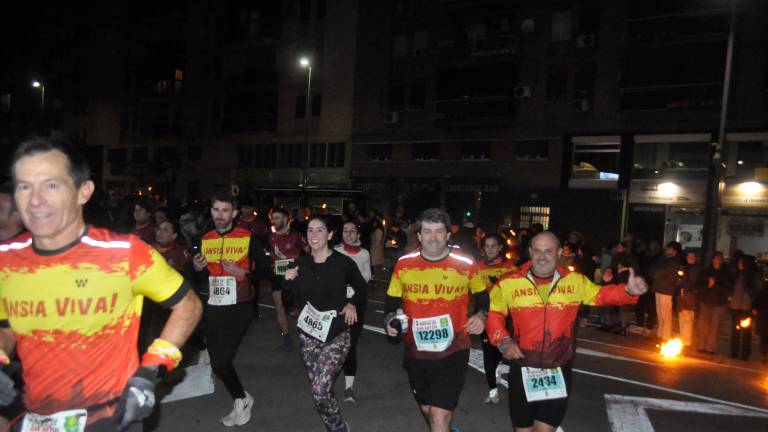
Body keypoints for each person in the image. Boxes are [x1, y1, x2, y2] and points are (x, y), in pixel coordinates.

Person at [0, 138, 202, 432]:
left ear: (84, 191)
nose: (36, 200)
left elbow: (189, 305)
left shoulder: (125, 253)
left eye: (51, 185)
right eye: (25, 186)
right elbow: (7, 325)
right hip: (36, 417)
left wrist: (150, 370)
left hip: (110, 415)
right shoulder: (5, 262)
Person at [486, 231, 648, 432]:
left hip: (558, 369)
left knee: (545, 430)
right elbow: (494, 315)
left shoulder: (575, 282)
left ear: (559, 253)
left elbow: (602, 295)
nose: (542, 256)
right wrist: (503, 341)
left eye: (548, 251)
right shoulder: (508, 282)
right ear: (530, 252)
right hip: (523, 367)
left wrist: (628, 292)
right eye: (537, 250)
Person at [385, 208, 488, 432]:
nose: (434, 237)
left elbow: (483, 298)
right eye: (428, 232)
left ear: (448, 235)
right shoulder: (404, 264)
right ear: (419, 236)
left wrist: (481, 315)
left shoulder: (466, 264)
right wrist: (390, 321)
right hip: (416, 351)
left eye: (439, 231)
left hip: (454, 349)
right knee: (429, 411)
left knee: (439, 416)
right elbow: (391, 303)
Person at [192, 193, 270, 426]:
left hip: (240, 306)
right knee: (216, 360)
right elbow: (198, 277)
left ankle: (242, 399)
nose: (219, 215)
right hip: (215, 305)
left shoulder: (248, 238)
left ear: (234, 213)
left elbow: (267, 271)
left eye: (225, 210)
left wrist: (243, 273)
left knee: (222, 359)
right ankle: (241, 398)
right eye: (216, 210)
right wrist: (196, 268)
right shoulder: (205, 238)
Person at [284, 215, 367, 432]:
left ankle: (337, 428)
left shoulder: (343, 263)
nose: (314, 235)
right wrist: (288, 281)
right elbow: (287, 300)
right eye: (310, 230)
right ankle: (335, 421)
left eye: (320, 230)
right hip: (308, 335)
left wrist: (351, 304)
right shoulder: (300, 263)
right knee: (321, 388)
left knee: (320, 389)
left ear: (330, 234)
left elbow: (362, 288)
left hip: (336, 334)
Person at [469, 233, 517, 405]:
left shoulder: (510, 267)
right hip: (483, 315)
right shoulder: (477, 267)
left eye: (493, 246)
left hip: (505, 316)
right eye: (486, 246)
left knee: (503, 350)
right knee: (488, 352)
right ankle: (492, 390)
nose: (489, 249)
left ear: (500, 248)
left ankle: (500, 367)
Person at [333, 221, 372, 404]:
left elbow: (366, 278)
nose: (349, 234)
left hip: (357, 303)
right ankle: (327, 384)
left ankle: (349, 388)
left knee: (350, 345)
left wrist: (351, 279)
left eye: (352, 231)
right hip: (337, 304)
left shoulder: (364, 254)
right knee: (333, 344)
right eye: (345, 231)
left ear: (358, 234)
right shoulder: (335, 252)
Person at [268, 207, 308, 349]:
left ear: (285, 219)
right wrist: (271, 264)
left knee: (294, 310)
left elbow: (309, 251)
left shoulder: (297, 235)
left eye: (277, 218)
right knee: (279, 306)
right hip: (278, 276)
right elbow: (268, 254)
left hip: (294, 276)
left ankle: (310, 330)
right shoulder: (270, 236)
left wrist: (301, 264)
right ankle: (286, 337)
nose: (274, 221)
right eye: (273, 218)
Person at [695, 252, 733, 355]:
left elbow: (727, 288)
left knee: (715, 326)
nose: (718, 261)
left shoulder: (726, 273)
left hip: (719, 302)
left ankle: (710, 347)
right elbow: (698, 285)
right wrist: (708, 284)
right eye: (716, 259)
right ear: (713, 260)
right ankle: (702, 345)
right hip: (706, 300)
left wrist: (714, 285)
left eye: (720, 259)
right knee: (703, 324)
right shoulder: (706, 271)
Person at [729, 255, 761, 360]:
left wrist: (755, 306)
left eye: (741, 262)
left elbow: (758, 293)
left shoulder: (754, 276)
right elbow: (733, 288)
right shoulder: (737, 274)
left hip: (747, 308)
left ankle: (745, 354)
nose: (739, 264)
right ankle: (734, 352)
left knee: (746, 332)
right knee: (735, 330)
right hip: (735, 306)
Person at [650, 241, 682, 341]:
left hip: (667, 289)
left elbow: (662, 272)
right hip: (659, 287)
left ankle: (666, 335)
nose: (667, 249)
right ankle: (660, 333)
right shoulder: (663, 259)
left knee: (665, 313)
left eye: (669, 248)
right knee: (659, 312)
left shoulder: (674, 262)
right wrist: (654, 272)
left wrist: (655, 273)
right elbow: (653, 269)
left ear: (675, 251)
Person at [678, 251, 703, 349]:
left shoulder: (698, 269)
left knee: (688, 319)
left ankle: (686, 342)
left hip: (691, 296)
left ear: (696, 257)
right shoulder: (684, 267)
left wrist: (692, 290)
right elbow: (680, 280)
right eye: (688, 256)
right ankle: (683, 339)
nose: (690, 258)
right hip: (683, 294)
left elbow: (698, 283)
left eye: (692, 256)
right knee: (682, 318)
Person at [752, 281, 768, 364]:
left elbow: (755, 304)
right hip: (763, 318)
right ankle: (763, 356)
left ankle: (763, 356)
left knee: (763, 338)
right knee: (764, 338)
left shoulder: (762, 292)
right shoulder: (762, 292)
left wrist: (755, 309)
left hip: (762, 318)